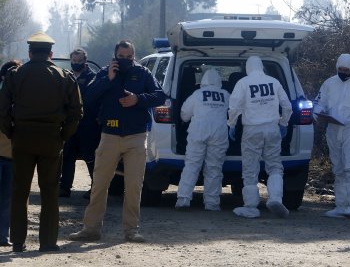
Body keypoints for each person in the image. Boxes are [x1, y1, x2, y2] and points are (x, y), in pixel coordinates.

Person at [69, 40, 166, 243]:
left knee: (133, 186)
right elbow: (88, 97)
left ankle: (131, 230)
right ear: (115, 56)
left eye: (129, 58)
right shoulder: (104, 73)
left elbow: (159, 96)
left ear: (134, 56)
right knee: (100, 184)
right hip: (110, 135)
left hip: (136, 137)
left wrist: (138, 99)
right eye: (121, 57)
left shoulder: (143, 73)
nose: (125, 61)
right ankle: (91, 229)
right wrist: (109, 79)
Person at [0, 32, 83, 252]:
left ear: (30, 52)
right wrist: (63, 135)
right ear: (51, 54)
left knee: (20, 191)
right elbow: (76, 112)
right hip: (51, 139)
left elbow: (2, 111)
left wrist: (11, 132)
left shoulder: (15, 75)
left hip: (23, 138)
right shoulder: (64, 76)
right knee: (50, 191)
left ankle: (18, 241)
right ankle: (48, 242)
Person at [228, 56, 292, 219]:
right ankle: (276, 199)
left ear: (248, 68)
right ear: (261, 66)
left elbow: (234, 107)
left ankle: (250, 206)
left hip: (252, 130)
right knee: (275, 165)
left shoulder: (243, 83)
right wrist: (283, 123)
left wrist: (232, 124)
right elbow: (287, 106)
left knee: (250, 168)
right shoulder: (274, 82)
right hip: (272, 128)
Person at [313, 53, 350, 218]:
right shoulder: (329, 83)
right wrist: (317, 114)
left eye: (346, 70)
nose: (343, 72)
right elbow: (319, 102)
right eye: (340, 69)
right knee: (338, 167)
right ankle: (341, 205)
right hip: (333, 129)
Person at [175, 68, 229, 211]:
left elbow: (184, 114)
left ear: (203, 81)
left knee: (192, 165)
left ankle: (183, 199)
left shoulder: (197, 94)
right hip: (219, 134)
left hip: (198, 133)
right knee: (214, 168)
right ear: (219, 81)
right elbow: (234, 112)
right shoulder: (225, 95)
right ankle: (212, 203)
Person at [59, 48, 100, 199]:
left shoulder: (93, 77)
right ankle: (64, 187)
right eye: (74, 61)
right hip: (70, 123)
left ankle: (95, 189)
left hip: (88, 124)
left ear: (85, 60)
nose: (76, 64)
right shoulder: (67, 76)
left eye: (79, 61)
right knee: (68, 155)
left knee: (90, 156)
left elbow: (97, 99)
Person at [0, 60, 22, 248]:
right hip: (7, 154)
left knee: (8, 198)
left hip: (12, 156)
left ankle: (2, 236)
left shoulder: (22, 96)